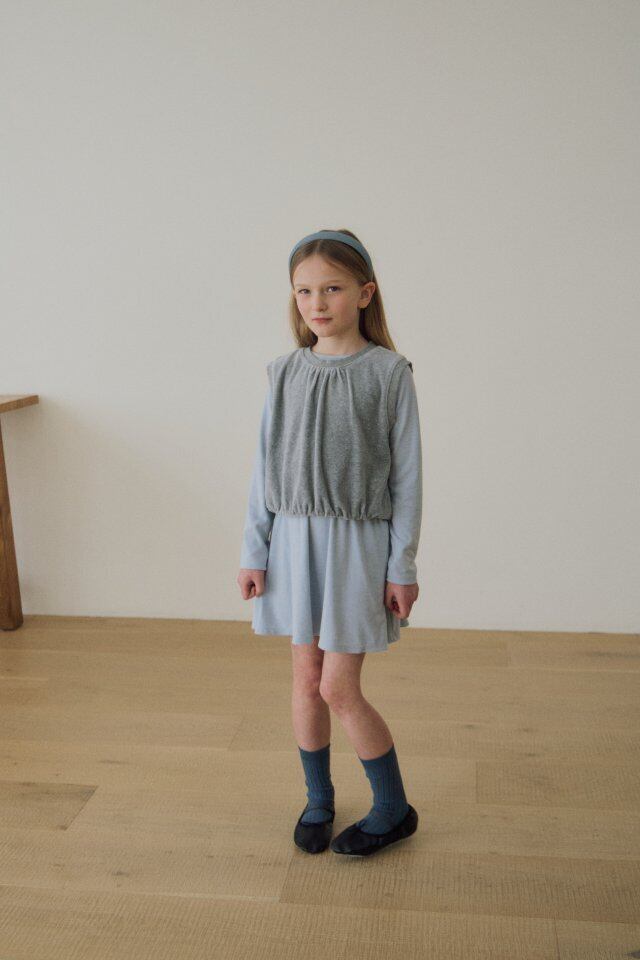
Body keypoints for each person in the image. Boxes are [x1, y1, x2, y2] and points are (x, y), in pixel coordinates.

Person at [237, 228, 423, 857]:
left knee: (338, 687)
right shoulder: (284, 372)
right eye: (304, 291)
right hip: (292, 542)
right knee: (305, 678)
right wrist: (254, 550)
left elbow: (407, 479)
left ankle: (394, 808)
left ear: (365, 293)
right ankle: (318, 800)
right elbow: (263, 470)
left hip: (357, 548)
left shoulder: (388, 373)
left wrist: (401, 565)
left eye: (332, 289)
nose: (317, 303)